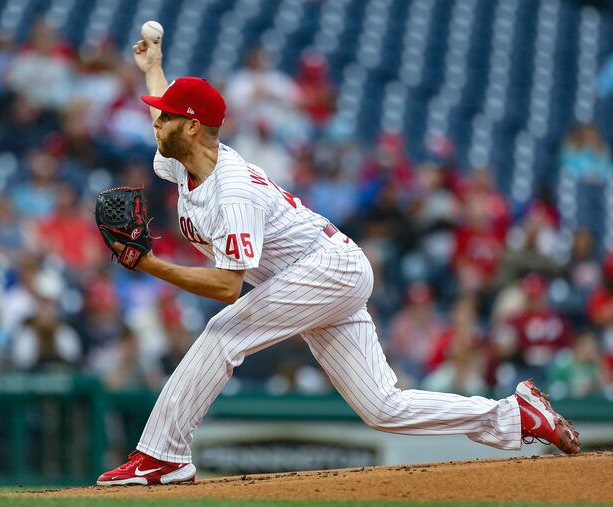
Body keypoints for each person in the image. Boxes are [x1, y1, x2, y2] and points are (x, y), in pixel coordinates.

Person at [95, 30, 581, 487]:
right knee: (382, 408)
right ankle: (515, 415)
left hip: (327, 269)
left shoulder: (231, 191)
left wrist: (152, 265)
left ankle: (164, 455)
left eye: (164, 115)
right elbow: (174, 113)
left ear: (193, 126)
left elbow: (227, 287)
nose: (155, 120)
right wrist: (153, 70)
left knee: (225, 331)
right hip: (317, 273)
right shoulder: (186, 159)